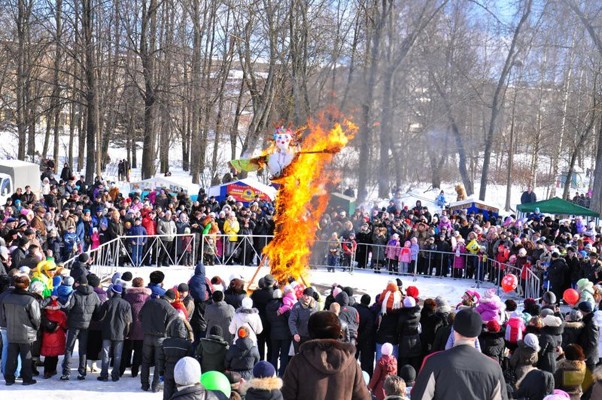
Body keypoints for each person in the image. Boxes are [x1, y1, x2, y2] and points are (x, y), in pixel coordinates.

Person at [412, 308, 508, 400]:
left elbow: (420, 397)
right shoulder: (493, 367)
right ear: (477, 334)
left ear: (454, 330)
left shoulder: (433, 361)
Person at [281, 310, 370, 400]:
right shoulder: (350, 363)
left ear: (311, 332)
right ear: (338, 331)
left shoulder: (299, 361)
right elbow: (362, 397)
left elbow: (286, 396)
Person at [1, 274, 41, 386]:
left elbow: (4, 316)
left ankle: (9, 379)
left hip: (11, 331)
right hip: (26, 333)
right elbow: (36, 318)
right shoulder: (30, 300)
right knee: (26, 356)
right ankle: (27, 379)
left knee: (11, 356)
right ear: (27, 285)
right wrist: (36, 328)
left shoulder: (7, 298)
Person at [61, 275, 101, 381]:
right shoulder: (94, 295)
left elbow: (67, 307)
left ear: (78, 283)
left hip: (74, 325)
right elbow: (98, 310)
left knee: (69, 348)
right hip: (87, 325)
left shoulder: (75, 294)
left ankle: (66, 372)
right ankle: (82, 372)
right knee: (83, 349)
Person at [139, 288, 180, 392]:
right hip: (161, 338)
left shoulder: (149, 302)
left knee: (145, 361)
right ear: (171, 299)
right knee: (159, 362)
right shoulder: (171, 309)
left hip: (147, 336)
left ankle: (144, 384)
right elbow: (171, 325)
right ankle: (156, 386)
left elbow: (140, 316)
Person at [97, 284, 132, 382]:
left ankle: (104, 375)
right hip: (120, 333)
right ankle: (115, 375)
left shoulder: (107, 303)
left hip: (107, 331)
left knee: (105, 354)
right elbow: (128, 321)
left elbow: (100, 317)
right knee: (117, 355)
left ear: (112, 292)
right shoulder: (126, 304)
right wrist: (127, 333)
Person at [121, 277, 151, 377]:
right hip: (141, 327)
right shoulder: (147, 297)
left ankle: (121, 369)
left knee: (126, 350)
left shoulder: (127, 296)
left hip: (128, 326)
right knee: (138, 351)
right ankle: (134, 371)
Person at [161, 317, 195, 400]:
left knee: (167, 394)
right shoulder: (187, 344)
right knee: (179, 395)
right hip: (181, 373)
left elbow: (160, 359)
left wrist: (161, 372)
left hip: (168, 371)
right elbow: (189, 361)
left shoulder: (165, 342)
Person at [288, 287, 316, 354]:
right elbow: (291, 320)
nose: (307, 297)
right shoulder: (297, 306)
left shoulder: (316, 306)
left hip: (311, 337)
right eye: (305, 295)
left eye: (309, 296)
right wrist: (295, 333)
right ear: (303, 295)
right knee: (299, 357)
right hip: (299, 337)